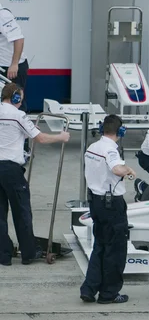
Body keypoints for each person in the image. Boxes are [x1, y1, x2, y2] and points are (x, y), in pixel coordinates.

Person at [0, 83, 70, 266]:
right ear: (15, 97)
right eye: (20, 98)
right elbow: (39, 137)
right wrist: (60, 137)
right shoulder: (18, 115)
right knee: (21, 212)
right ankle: (29, 253)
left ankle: (3, 254)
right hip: (11, 169)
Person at [80, 114, 136, 304]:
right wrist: (127, 169)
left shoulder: (92, 147)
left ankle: (89, 288)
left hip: (95, 201)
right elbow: (116, 169)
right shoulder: (111, 150)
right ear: (120, 131)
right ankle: (108, 294)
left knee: (100, 246)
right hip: (112, 205)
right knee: (115, 250)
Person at [0, 3, 29, 113]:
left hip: (11, 68)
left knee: (15, 103)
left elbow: (19, 39)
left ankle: (22, 128)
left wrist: (14, 64)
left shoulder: (3, 15)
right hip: (1, 66)